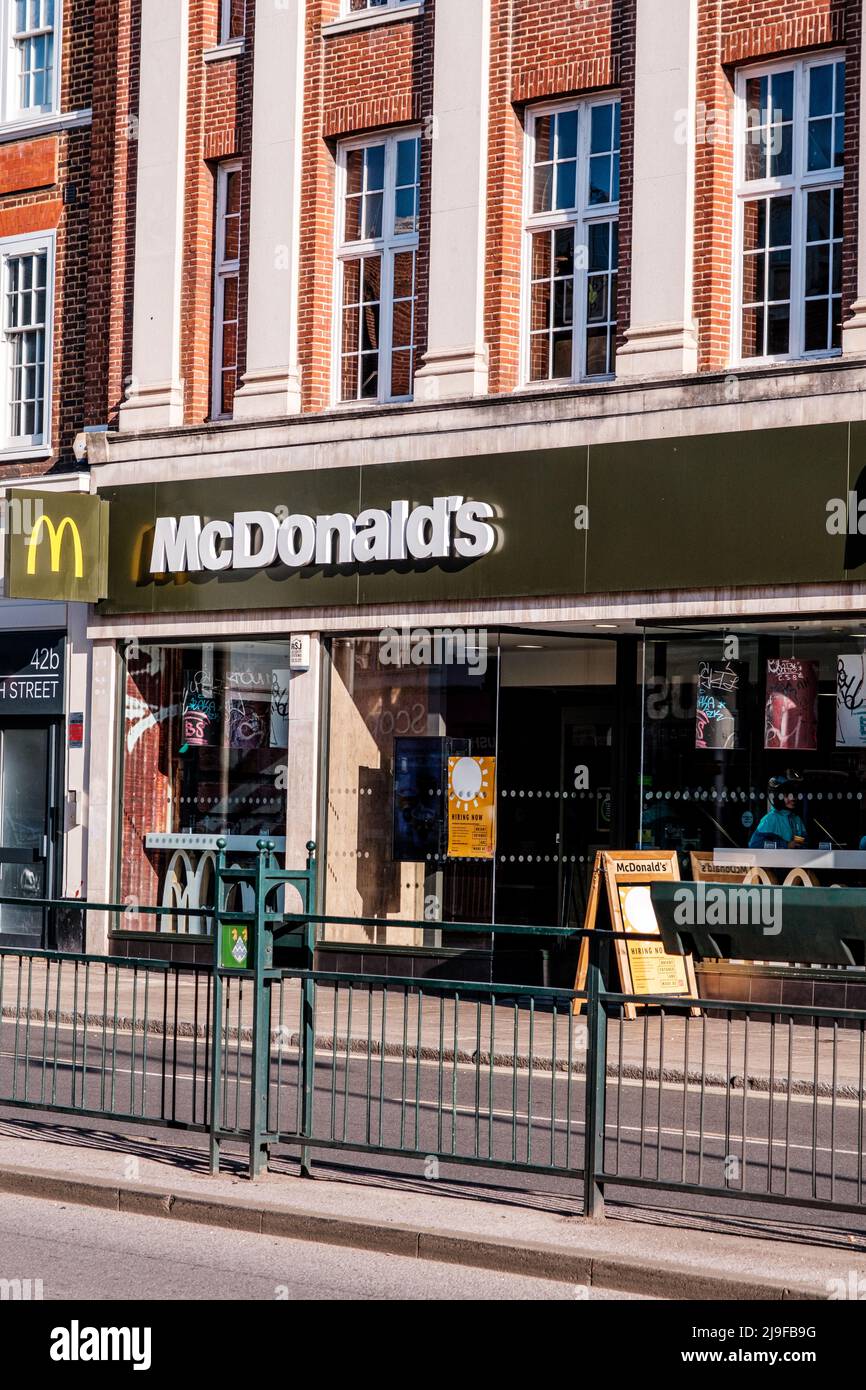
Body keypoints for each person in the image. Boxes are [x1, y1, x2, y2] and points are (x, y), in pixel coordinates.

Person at [748, 775, 807, 849]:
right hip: (776, 860)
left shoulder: (796, 819)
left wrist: (799, 843)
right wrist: (786, 845)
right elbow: (754, 844)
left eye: (794, 795)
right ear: (778, 797)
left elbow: (804, 842)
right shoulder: (770, 819)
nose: (793, 798)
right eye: (787, 795)